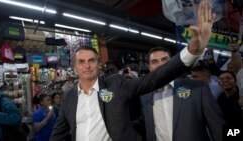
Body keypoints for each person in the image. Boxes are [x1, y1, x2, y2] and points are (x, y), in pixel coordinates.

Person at [50, 0, 216, 140]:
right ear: (74, 67)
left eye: (92, 60)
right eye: (81, 62)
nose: (87, 66)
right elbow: (59, 133)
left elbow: (155, 78)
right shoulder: (70, 96)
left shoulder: (117, 84)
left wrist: (192, 51)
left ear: (99, 64)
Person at [140, 47, 225, 141]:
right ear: (149, 68)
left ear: (172, 63)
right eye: (154, 61)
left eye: (164, 59)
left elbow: (218, 128)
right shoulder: (144, 96)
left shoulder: (198, 88)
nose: (160, 65)